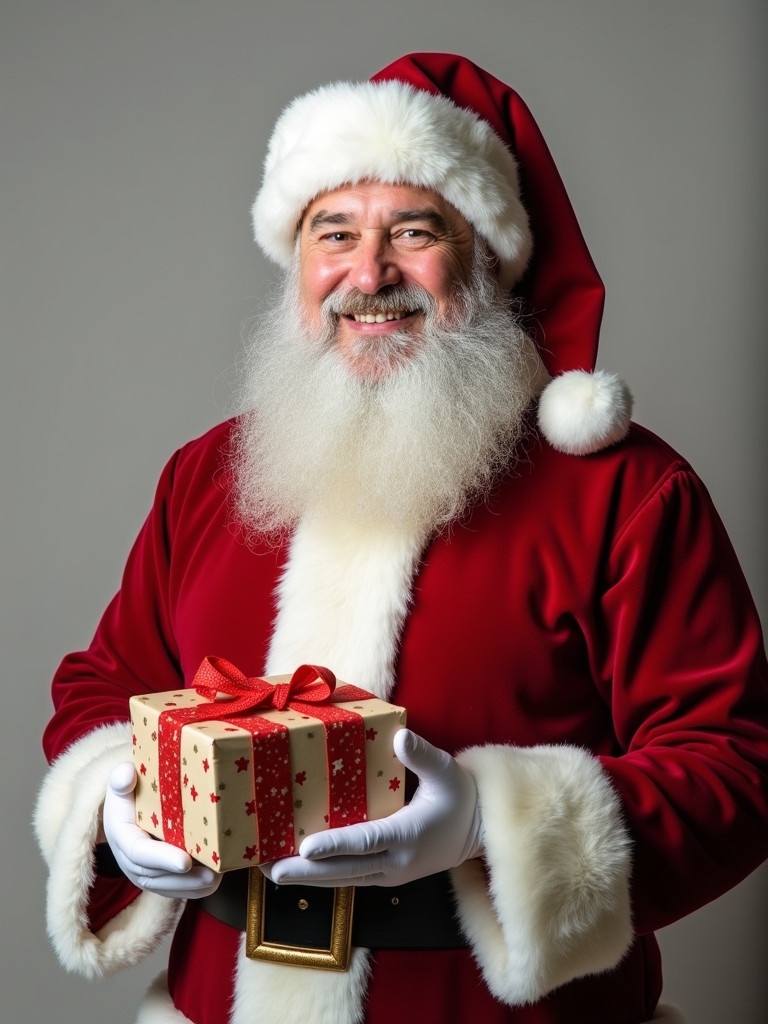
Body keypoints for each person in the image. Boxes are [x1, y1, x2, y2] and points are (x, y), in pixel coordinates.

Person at [34, 52, 768, 1024]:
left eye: (414, 232)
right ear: (296, 260)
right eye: (333, 232)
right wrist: (118, 792)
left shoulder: (626, 493)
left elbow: (737, 760)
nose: (368, 273)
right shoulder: (205, 477)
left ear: (490, 258)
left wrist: (485, 821)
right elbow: (106, 676)